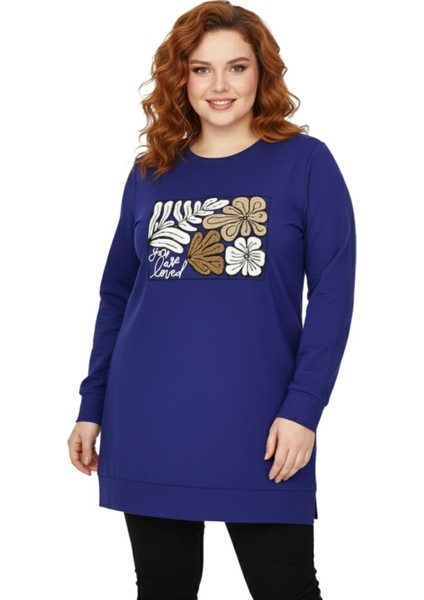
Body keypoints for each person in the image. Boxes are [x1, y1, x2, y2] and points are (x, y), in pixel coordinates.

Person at [67, 1, 356, 598]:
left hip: (264, 426)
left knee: (285, 585)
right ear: (182, 78)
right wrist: (91, 404)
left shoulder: (306, 163)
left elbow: (333, 294)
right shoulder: (150, 174)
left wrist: (304, 409)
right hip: (148, 419)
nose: (219, 85)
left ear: (261, 73)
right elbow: (117, 295)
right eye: (201, 69)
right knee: (163, 585)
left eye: (236, 67)